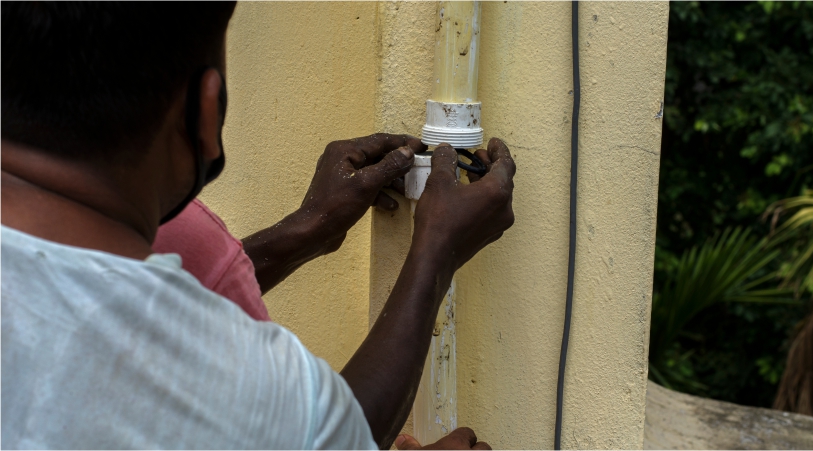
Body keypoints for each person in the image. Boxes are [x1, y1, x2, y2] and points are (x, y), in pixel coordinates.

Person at [1, 3, 517, 450]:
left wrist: (306, 230)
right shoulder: (225, 379)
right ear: (207, 109)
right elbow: (336, 434)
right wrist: (437, 249)